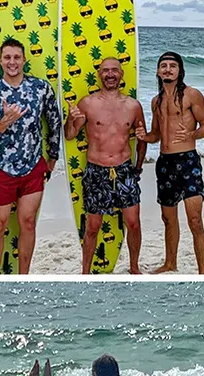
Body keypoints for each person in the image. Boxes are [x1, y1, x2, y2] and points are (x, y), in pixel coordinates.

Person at [0, 37, 64, 274]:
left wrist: (52, 157)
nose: (12, 62)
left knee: (27, 223)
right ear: (0, 61)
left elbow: (54, 122)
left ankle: (23, 274)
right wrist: (3, 123)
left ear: (24, 59)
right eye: (7, 57)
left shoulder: (41, 87)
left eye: (16, 57)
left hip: (33, 166)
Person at [64, 58, 148, 274]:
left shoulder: (133, 105)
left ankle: (134, 267)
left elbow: (142, 138)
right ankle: (85, 272)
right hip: (96, 171)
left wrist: (137, 167)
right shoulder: (87, 103)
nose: (110, 74)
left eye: (114, 71)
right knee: (92, 227)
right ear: (99, 75)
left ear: (121, 74)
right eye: (105, 71)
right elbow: (70, 135)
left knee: (134, 224)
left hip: (124, 170)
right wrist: (70, 120)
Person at [138, 52, 204, 274]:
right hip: (165, 163)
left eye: (172, 66)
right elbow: (156, 135)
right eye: (163, 65)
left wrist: (192, 134)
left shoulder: (192, 95)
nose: (167, 69)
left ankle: (202, 273)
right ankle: (170, 263)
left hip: (188, 162)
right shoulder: (156, 101)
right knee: (168, 220)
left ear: (180, 70)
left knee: (195, 220)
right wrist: (143, 135)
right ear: (158, 71)